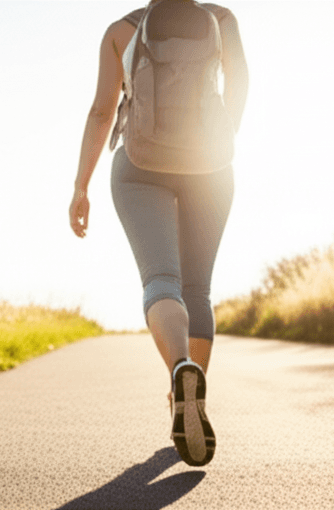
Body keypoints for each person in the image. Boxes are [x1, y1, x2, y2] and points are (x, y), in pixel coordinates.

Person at [69, 0, 248, 466]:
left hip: (139, 166)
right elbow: (241, 83)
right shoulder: (220, 19)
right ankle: (190, 400)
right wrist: (223, 139)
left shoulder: (118, 32)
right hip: (210, 166)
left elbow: (100, 113)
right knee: (197, 287)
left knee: (162, 281)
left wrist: (80, 187)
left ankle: (179, 371)